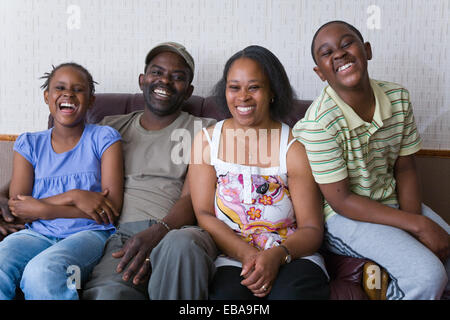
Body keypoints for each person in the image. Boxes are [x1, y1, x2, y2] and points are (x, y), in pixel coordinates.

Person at [293, 20, 450, 300]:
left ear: (366, 50)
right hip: (344, 218)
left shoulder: (398, 97)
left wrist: (413, 222)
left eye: (346, 43)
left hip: (391, 202)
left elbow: (405, 169)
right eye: (327, 53)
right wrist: (417, 226)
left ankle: (388, 284)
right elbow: (341, 201)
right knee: (428, 275)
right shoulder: (320, 123)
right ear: (320, 73)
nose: (339, 54)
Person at [190, 45, 330, 300]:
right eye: (234, 87)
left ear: (273, 92)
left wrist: (276, 256)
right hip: (232, 258)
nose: (242, 97)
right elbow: (203, 214)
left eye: (254, 87)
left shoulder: (293, 147)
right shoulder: (206, 142)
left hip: (292, 256)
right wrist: (248, 255)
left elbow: (311, 228)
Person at [81, 42, 218, 300]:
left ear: (188, 91)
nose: (164, 81)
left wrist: (159, 232)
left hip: (179, 231)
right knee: (109, 294)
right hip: (121, 236)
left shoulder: (204, 130)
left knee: (181, 246)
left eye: (177, 77)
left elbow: (193, 197)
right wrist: (7, 194)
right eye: (157, 72)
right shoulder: (110, 127)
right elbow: (62, 162)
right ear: (142, 80)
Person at [0, 62, 124, 300]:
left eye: (78, 89)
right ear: (47, 96)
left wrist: (43, 208)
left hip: (89, 234)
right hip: (36, 234)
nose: (68, 93)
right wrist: (75, 196)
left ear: (91, 101)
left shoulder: (104, 138)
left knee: (42, 272)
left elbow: (110, 211)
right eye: (60, 88)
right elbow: (19, 208)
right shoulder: (29, 144)